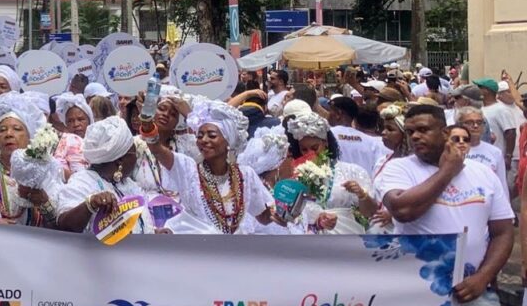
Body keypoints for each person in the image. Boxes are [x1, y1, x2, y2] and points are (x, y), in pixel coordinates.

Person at [377, 104, 513, 306]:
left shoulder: (483, 173)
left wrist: (483, 277)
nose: (415, 136)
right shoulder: (399, 169)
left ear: (445, 132)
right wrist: (448, 170)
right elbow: (403, 210)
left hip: (473, 291)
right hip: (414, 289)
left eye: (423, 129)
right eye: (410, 132)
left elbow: (502, 232)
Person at [166, 100, 278, 235]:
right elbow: (155, 147)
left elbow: (264, 217)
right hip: (196, 249)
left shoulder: (245, 175)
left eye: (212, 135)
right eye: (200, 136)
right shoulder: (189, 170)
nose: (204, 140)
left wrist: (283, 214)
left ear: (228, 141)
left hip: (232, 250)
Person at [54, 116, 154, 234]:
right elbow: (64, 226)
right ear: (120, 161)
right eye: (134, 153)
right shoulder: (82, 182)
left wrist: (155, 233)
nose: (136, 157)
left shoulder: (128, 184)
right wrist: (90, 205)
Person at [287, 113, 378, 235]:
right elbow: (289, 215)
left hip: (347, 237)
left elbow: (370, 213)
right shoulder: (295, 176)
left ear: (326, 143)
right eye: (304, 149)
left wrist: (362, 195)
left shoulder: (352, 171)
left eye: (314, 148)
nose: (310, 154)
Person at [0, 94, 55, 226]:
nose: (9, 134)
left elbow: (61, 223)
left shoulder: (46, 173)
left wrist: (43, 201)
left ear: (30, 136)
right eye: (2, 130)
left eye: (17, 129)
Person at [454, 107, 509, 195]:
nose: (475, 126)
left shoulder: (495, 152)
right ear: (459, 125)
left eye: (479, 122)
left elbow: (502, 185)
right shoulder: (452, 151)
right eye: (469, 122)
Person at [326, 96, 386, 173]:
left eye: (330, 110)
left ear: (338, 113)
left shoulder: (327, 135)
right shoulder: (372, 142)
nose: (328, 114)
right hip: (364, 184)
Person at [474, 78, 516, 159]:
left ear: (487, 90)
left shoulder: (501, 109)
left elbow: (511, 133)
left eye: (480, 87)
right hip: (486, 157)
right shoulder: (481, 109)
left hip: (499, 157)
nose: (478, 90)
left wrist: (508, 156)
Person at [52, 93, 91, 178]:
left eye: (80, 119)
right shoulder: (63, 142)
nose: (76, 124)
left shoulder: (98, 142)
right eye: (70, 121)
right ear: (65, 124)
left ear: (89, 120)